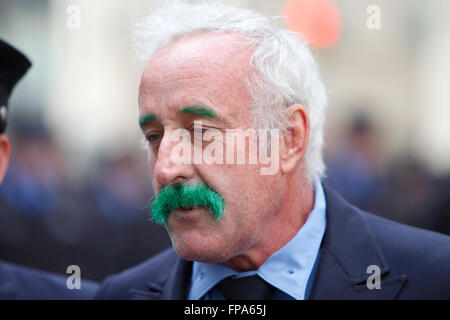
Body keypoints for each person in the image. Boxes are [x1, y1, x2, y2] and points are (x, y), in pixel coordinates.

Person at [95, 1, 450, 300]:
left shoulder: (434, 277)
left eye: (200, 130)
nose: (165, 169)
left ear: (289, 138)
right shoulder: (121, 293)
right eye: (154, 137)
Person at [0, 38, 98, 299]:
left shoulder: (68, 207)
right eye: (34, 150)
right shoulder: (11, 209)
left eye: (44, 150)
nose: (40, 159)